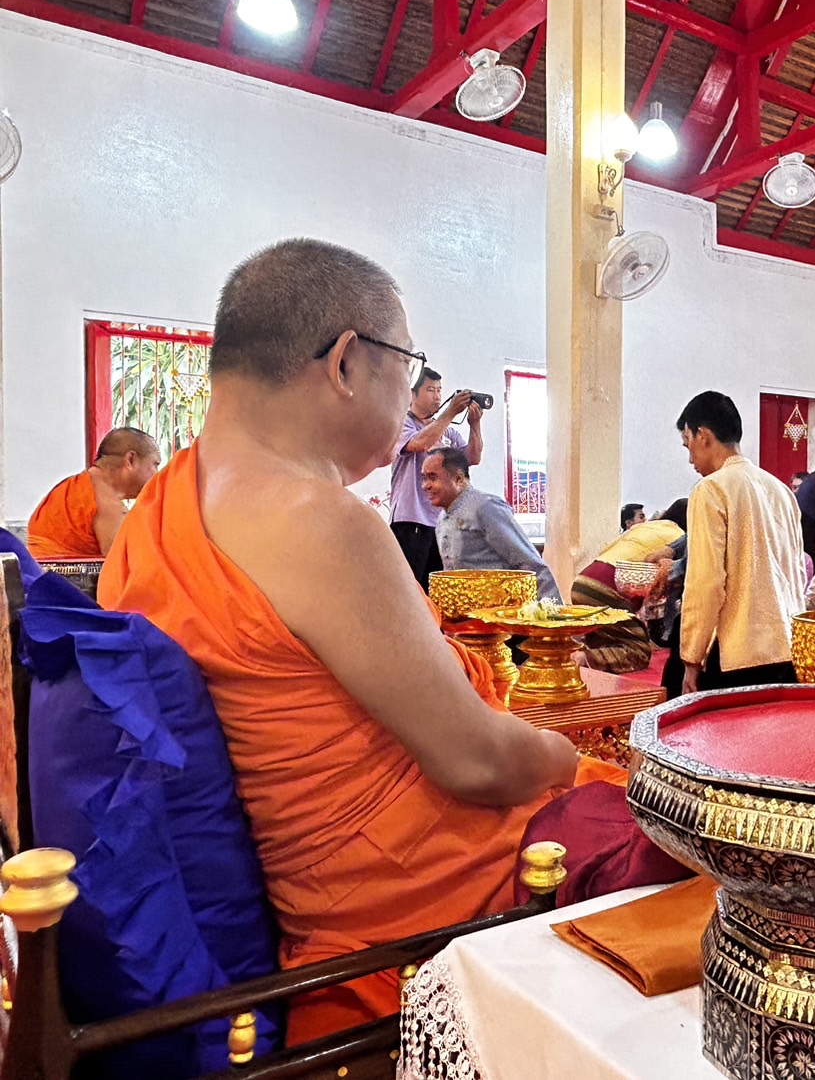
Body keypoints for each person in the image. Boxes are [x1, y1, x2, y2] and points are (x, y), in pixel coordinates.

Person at [98, 239, 630, 1041]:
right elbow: (478, 762)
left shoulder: (148, 523)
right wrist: (574, 758)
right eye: (407, 367)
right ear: (347, 362)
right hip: (429, 904)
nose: (414, 398)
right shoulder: (317, 520)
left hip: (306, 892)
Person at [677, 391, 807, 692]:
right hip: (789, 649)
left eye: (688, 444)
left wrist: (691, 659)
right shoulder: (781, 490)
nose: (690, 458)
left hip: (737, 654)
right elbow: (796, 574)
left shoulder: (710, 490)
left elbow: (706, 582)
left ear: (703, 435)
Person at [422, 446, 559, 600]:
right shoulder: (441, 518)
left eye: (433, 478)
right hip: (465, 615)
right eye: (424, 478)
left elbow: (529, 562)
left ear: (459, 479)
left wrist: (552, 614)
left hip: (499, 614)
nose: (425, 485)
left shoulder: (486, 507)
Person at [390, 366, 484, 590]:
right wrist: (449, 412)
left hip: (441, 522)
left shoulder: (447, 430)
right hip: (411, 520)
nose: (438, 396)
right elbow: (419, 443)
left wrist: (475, 424)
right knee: (413, 589)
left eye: (440, 390)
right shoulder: (403, 423)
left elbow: (472, 457)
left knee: (439, 589)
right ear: (413, 394)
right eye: (431, 390)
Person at [571, 503, 686, 673]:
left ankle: (582, 662)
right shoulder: (680, 536)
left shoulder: (645, 528)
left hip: (582, 581)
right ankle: (580, 659)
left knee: (605, 643)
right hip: (608, 588)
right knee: (638, 650)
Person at [27, 428, 161, 558]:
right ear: (130, 460)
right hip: (63, 579)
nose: (157, 475)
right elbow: (127, 563)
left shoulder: (72, 486)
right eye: (155, 465)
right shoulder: (106, 503)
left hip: (34, 575)